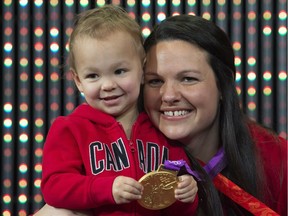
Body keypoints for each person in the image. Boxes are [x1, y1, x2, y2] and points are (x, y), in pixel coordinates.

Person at [38, 5, 198, 216]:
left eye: (119, 71)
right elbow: (55, 187)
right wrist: (105, 189)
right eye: (93, 76)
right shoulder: (70, 129)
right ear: (78, 81)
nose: (107, 85)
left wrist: (186, 193)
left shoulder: (162, 128)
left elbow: (176, 199)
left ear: (142, 71)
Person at [143, 14, 287, 215]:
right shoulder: (115, 166)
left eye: (188, 79)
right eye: (155, 81)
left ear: (222, 86)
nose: (168, 96)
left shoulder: (279, 162)